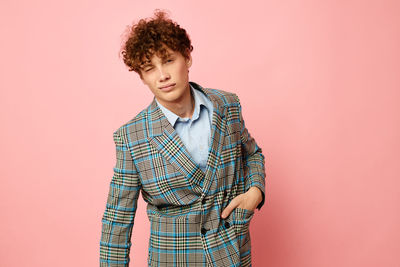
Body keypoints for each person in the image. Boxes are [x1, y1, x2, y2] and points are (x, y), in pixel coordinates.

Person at [99, 9, 266, 267]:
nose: (162, 75)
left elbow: (252, 154)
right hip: (174, 259)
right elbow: (118, 219)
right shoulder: (132, 137)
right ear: (141, 76)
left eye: (168, 60)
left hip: (233, 254)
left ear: (186, 58)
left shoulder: (227, 105)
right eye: (149, 68)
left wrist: (255, 191)